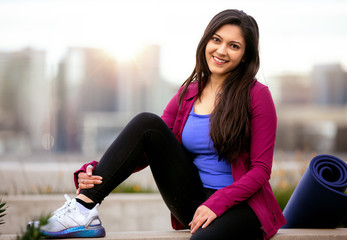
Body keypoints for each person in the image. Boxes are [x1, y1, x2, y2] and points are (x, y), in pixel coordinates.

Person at [32, 9, 286, 240]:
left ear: (244, 56)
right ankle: (82, 209)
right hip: (194, 200)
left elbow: (261, 170)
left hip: (242, 206)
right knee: (147, 123)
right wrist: (94, 171)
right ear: (206, 41)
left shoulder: (257, 95)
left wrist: (218, 202)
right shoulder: (188, 93)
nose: (221, 50)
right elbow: (146, 145)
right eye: (216, 40)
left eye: (234, 46)